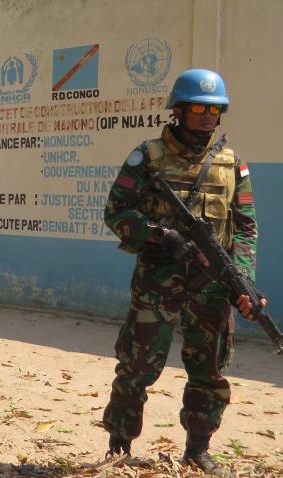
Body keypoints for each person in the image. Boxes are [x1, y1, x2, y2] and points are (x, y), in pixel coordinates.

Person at [101, 69, 265, 478]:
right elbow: (116, 211)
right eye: (198, 107)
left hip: (211, 287)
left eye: (215, 108)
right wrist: (159, 236)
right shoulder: (148, 156)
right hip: (159, 283)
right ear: (178, 110)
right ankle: (119, 445)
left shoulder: (233, 165)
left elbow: (245, 227)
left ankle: (198, 449)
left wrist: (241, 279)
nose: (208, 115)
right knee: (137, 368)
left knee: (209, 372)